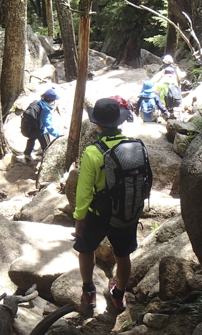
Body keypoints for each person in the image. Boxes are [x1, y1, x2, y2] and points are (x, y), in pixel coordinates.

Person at [73, 98, 146, 311]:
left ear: (98, 125)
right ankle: (119, 295)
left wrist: (79, 220)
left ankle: (89, 293)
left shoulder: (93, 152)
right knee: (122, 255)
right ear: (118, 122)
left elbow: (84, 192)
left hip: (98, 214)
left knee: (86, 249)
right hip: (126, 211)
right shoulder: (134, 146)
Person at [23, 88, 62, 161]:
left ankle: (27, 154)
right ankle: (46, 155)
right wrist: (58, 134)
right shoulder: (46, 111)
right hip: (39, 131)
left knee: (31, 139)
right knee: (46, 143)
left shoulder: (37, 103)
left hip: (29, 129)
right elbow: (49, 127)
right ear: (51, 100)